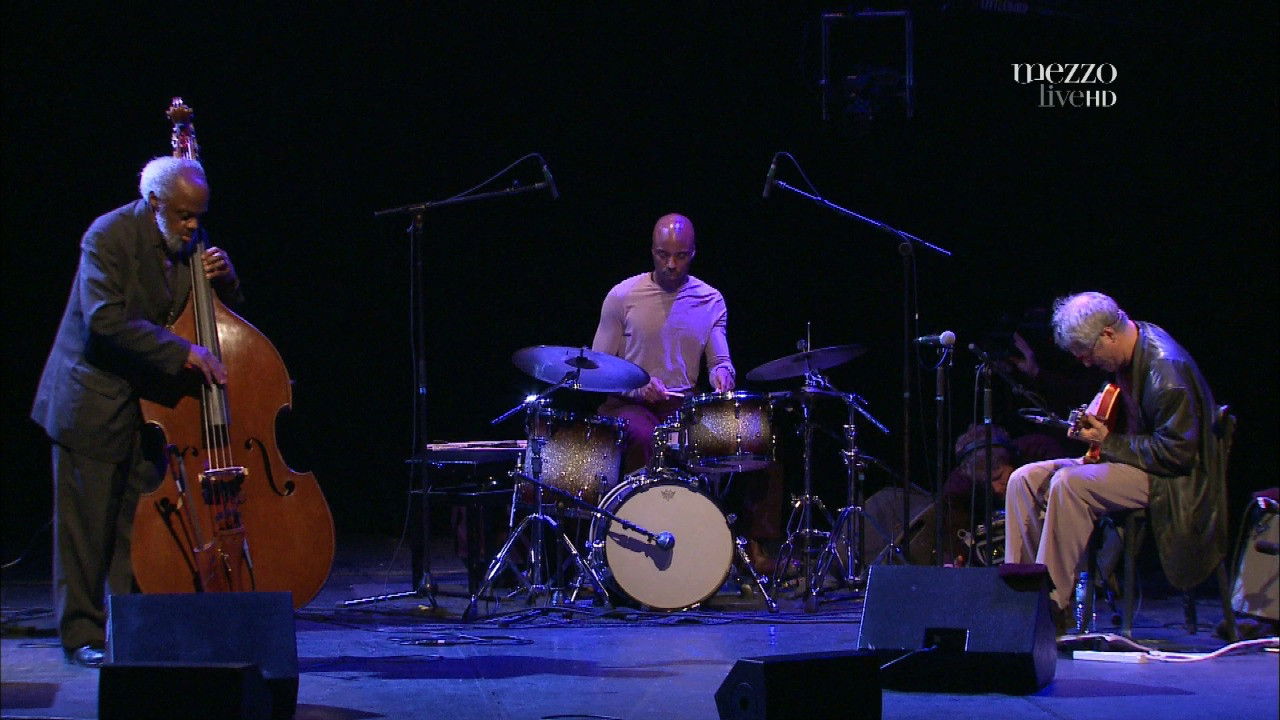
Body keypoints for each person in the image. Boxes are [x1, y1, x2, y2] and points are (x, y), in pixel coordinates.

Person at [30, 156, 241, 667]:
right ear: (154, 204)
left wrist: (227, 280)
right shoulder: (106, 236)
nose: (195, 227)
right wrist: (181, 353)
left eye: (199, 216)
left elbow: (215, 317)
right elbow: (104, 321)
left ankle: (132, 628)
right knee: (86, 531)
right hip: (91, 401)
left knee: (135, 528)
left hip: (150, 410)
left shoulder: (187, 239)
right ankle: (82, 633)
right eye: (186, 216)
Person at [1003, 291, 1228, 632]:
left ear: (1108, 333)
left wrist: (1108, 441)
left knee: (1069, 485)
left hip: (1172, 478)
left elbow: (1178, 453)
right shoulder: (1126, 351)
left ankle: (1051, 611)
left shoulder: (1167, 371)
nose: (1086, 363)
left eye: (1088, 353)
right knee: (1024, 479)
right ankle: (1019, 600)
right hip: (1132, 459)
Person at [590, 214, 782, 571]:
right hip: (628, 402)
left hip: (682, 405)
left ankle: (755, 545)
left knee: (757, 438)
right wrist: (635, 386)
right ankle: (643, 545)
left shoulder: (710, 300)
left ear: (693, 253)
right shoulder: (623, 296)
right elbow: (599, 368)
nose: (671, 264)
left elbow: (720, 359)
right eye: (663, 255)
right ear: (652, 251)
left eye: (680, 256)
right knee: (644, 437)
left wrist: (723, 373)